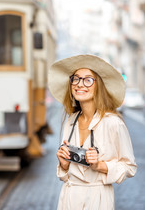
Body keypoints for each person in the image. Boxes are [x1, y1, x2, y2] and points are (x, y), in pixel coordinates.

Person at [48, 54, 137, 210]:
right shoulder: (71, 121)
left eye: (88, 79)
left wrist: (99, 165)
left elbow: (129, 167)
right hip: (69, 197)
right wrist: (64, 165)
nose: (80, 84)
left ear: (99, 86)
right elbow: (66, 174)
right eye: (76, 79)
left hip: (99, 198)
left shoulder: (113, 123)